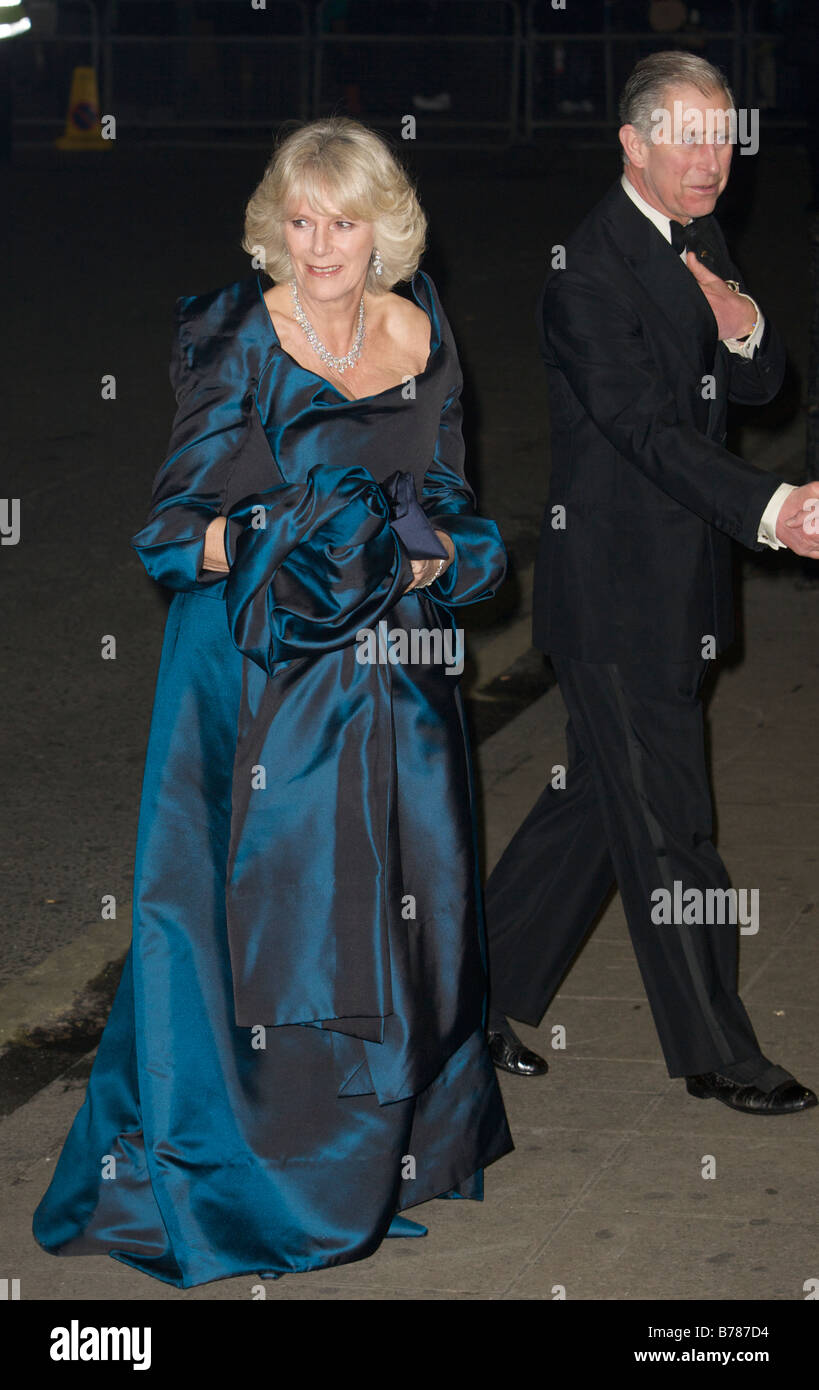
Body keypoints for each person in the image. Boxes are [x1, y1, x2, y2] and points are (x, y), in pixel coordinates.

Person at [32, 117, 513, 1288]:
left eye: (342, 220)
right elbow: (166, 536)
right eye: (298, 220)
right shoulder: (240, 341)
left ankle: (377, 1161)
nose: (319, 244)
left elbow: (441, 490)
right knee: (265, 930)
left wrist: (416, 550)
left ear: (382, 227)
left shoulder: (421, 329)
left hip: (390, 674)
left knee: (408, 913)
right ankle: (259, 1183)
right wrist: (286, 537)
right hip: (253, 676)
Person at [485, 51, 819, 1116]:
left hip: (680, 590)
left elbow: (758, 382)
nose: (711, 161)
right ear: (632, 143)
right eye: (687, 137)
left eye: (723, 138)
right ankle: (722, 1051)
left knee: (595, 810)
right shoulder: (587, 270)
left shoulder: (696, 232)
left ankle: (460, 999)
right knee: (672, 821)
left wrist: (746, 323)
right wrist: (770, 509)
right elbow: (643, 432)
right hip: (617, 599)